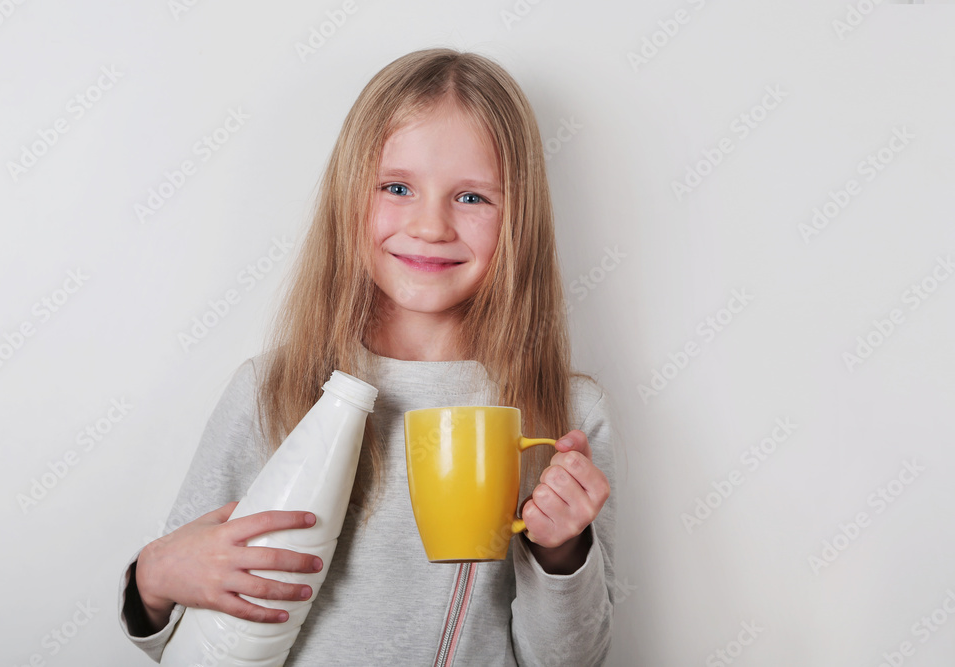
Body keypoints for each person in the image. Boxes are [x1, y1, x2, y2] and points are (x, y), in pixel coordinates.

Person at [118, 47, 618, 666]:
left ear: (519, 217)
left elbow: (572, 661)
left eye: (472, 198)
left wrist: (561, 554)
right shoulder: (272, 389)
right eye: (397, 187)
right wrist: (151, 580)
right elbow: (181, 639)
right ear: (348, 197)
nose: (431, 225)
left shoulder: (563, 416)